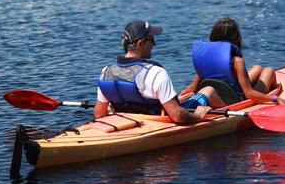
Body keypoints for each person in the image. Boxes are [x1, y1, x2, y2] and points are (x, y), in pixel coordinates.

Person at [94, 20, 225, 125]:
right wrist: (198, 115)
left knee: (185, 95)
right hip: (158, 122)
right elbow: (178, 116)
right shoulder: (156, 73)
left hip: (129, 122)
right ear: (140, 43)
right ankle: (232, 115)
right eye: (151, 39)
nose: (154, 44)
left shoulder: (106, 72)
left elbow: (99, 114)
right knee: (208, 90)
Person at [179, 16, 282, 105]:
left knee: (258, 68)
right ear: (237, 38)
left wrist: (181, 96)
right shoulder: (237, 61)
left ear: (212, 36)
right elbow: (249, 93)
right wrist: (275, 98)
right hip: (235, 100)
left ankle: (268, 85)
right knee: (269, 70)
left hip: (220, 92)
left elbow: (193, 88)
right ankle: (275, 90)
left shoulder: (206, 60)